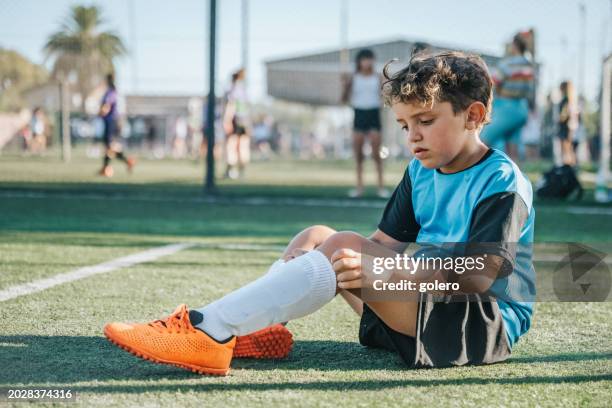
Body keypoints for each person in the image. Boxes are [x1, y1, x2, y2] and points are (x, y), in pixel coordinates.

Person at [104, 51, 535, 376]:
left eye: (425, 120)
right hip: (421, 303)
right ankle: (251, 331)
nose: (413, 136)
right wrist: (366, 265)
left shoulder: (501, 180)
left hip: (477, 322)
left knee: (343, 246)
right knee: (319, 237)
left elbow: (480, 274)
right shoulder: (421, 171)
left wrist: (384, 271)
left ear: (473, 115)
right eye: (405, 125)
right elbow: (383, 244)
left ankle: (209, 329)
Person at [342, 49, 389, 198]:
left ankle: (381, 188)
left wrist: (383, 99)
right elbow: (343, 99)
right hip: (359, 114)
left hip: (373, 114)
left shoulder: (378, 77)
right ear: (359, 61)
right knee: (359, 155)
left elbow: (385, 96)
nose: (367, 62)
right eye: (364, 59)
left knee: (376, 154)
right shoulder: (353, 78)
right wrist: (344, 85)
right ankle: (359, 188)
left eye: (369, 59)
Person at [481, 33, 535, 161]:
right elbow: (531, 90)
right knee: (513, 150)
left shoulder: (508, 63)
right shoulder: (529, 65)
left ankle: (472, 174)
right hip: (522, 109)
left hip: (506, 107)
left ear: (515, 45)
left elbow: (493, 81)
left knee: (482, 141)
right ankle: (516, 178)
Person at [98, 73, 135, 177]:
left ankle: (107, 169)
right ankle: (109, 167)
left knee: (110, 147)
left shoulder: (110, 92)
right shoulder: (115, 92)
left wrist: (100, 113)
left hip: (110, 122)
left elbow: (106, 106)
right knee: (110, 147)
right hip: (113, 121)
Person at [223, 68, 250, 179]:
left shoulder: (232, 90)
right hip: (244, 120)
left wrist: (227, 120)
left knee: (231, 146)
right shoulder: (243, 90)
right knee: (243, 146)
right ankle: (242, 172)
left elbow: (231, 105)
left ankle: (230, 171)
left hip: (235, 120)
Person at [557, 81, 578, 166]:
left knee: (566, 149)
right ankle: (570, 166)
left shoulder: (566, 100)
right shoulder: (571, 100)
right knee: (569, 149)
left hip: (565, 127)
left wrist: (560, 118)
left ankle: (567, 167)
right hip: (569, 127)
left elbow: (564, 114)